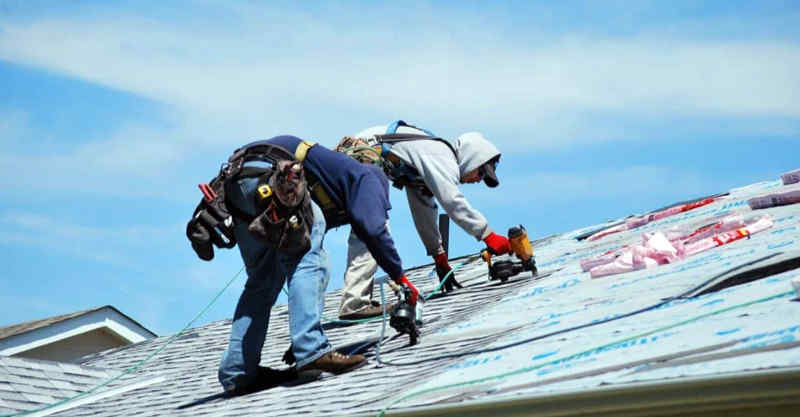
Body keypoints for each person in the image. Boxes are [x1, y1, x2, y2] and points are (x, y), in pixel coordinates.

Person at [188, 135, 419, 394]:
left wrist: (301, 327)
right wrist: (401, 278)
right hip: (268, 175)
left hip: (237, 184)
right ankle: (311, 348)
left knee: (262, 282)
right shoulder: (368, 175)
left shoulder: (328, 179)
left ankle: (238, 372)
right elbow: (373, 228)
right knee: (311, 260)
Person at [336, 121, 510, 320]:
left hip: (359, 164)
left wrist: (439, 255)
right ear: (471, 160)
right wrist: (488, 235)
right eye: (481, 172)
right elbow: (452, 201)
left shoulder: (429, 164)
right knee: (374, 229)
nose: (478, 180)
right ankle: (355, 304)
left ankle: (356, 300)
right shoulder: (440, 156)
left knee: (369, 228)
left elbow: (424, 210)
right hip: (360, 159)